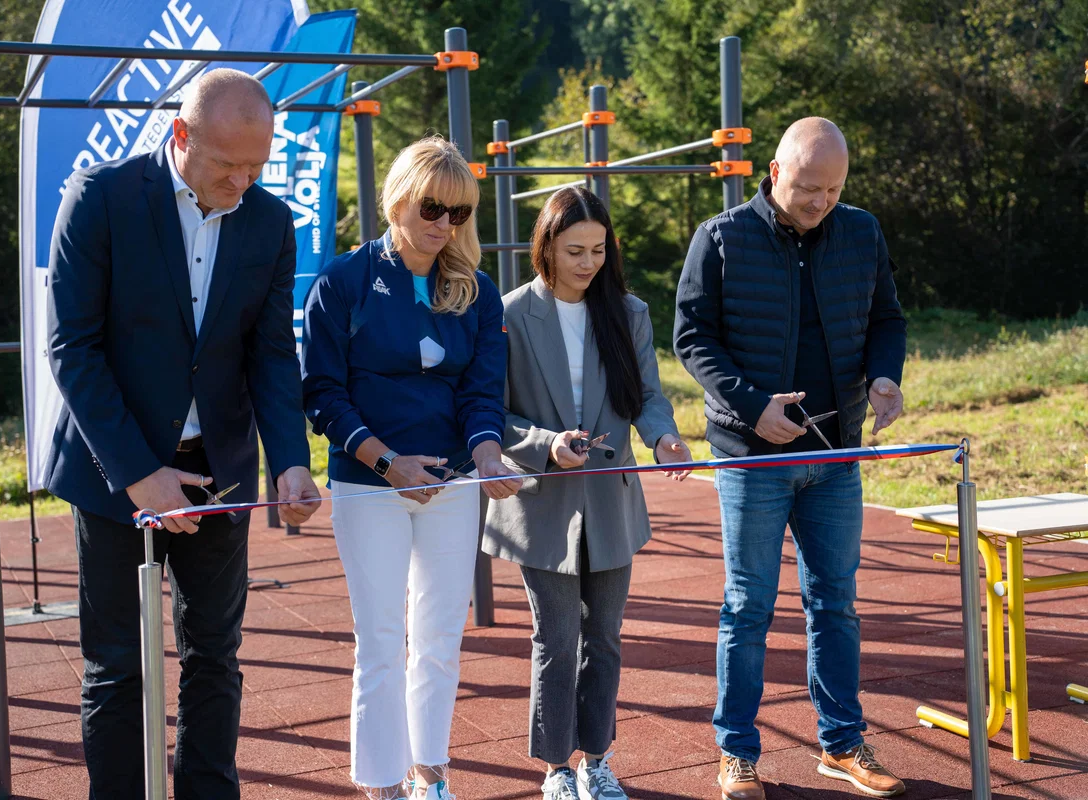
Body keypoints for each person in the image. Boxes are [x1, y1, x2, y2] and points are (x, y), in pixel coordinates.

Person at [44, 69, 321, 800]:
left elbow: (271, 354)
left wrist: (291, 461)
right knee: (117, 665)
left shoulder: (269, 221)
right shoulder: (100, 198)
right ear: (180, 136)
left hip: (221, 473)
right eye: (228, 165)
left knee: (215, 658)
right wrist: (141, 474)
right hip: (116, 476)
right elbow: (73, 348)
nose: (242, 182)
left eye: (256, 167)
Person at [673, 117, 908, 799]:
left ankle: (842, 744)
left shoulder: (861, 231)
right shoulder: (720, 238)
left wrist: (884, 376)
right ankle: (736, 753)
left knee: (836, 603)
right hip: (752, 458)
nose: (821, 202)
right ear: (774, 172)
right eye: (809, 188)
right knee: (748, 607)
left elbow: (887, 318)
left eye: (833, 190)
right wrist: (753, 407)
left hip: (836, 454)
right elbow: (692, 337)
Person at [301, 136, 521, 800]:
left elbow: (483, 393)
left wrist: (488, 456)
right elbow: (322, 393)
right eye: (432, 207)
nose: (444, 224)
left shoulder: (477, 291)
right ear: (398, 199)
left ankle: (431, 772)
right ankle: (381, 783)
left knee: (440, 637)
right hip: (369, 485)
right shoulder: (342, 281)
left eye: (459, 212)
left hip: (453, 486)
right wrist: (388, 461)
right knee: (380, 638)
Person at [482, 186, 690, 800]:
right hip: (540, 499)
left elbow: (647, 396)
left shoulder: (629, 312)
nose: (588, 262)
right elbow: (490, 412)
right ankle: (555, 768)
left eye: (598, 250)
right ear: (546, 246)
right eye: (575, 250)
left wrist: (664, 438)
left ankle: (596, 760)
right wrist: (547, 443)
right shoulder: (509, 313)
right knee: (556, 639)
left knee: (604, 638)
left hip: (609, 497)